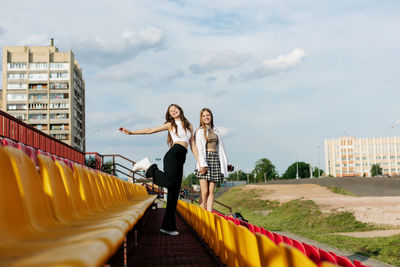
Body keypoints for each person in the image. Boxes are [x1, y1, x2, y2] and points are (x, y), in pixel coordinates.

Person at [119, 104, 200, 236]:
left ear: (180, 110)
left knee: (174, 194)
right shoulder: (170, 124)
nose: (173, 111)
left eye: (175, 109)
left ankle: (168, 227)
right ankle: (148, 167)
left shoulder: (189, 125)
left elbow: (193, 146)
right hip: (172, 155)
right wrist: (131, 132)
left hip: (181, 158)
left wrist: (200, 162)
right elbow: (150, 130)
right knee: (169, 183)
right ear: (169, 114)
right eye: (170, 110)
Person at [195, 108, 230, 212]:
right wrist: (202, 164)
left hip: (215, 159)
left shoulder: (216, 131)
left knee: (211, 191)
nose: (206, 117)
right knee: (204, 191)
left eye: (208, 115)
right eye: (204, 116)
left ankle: (209, 213)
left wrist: (226, 163)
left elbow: (221, 149)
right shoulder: (200, 131)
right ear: (201, 118)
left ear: (211, 116)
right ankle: (202, 213)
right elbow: (200, 149)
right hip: (204, 159)